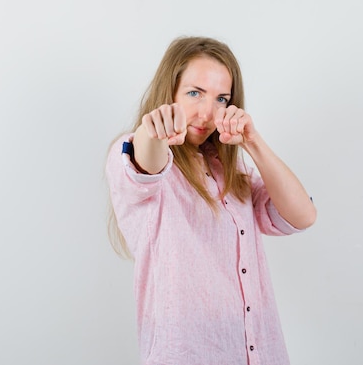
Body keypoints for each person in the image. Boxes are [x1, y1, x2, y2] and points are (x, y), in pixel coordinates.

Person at [105, 36, 316, 365]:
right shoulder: (143, 158)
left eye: (221, 99)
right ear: (169, 92)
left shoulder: (232, 174)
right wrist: (154, 131)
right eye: (194, 93)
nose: (207, 112)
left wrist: (253, 141)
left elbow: (303, 216)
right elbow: (146, 161)